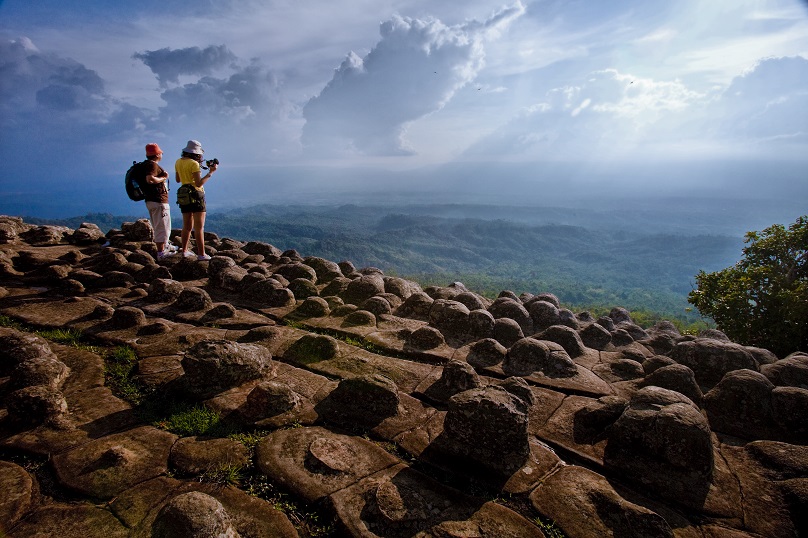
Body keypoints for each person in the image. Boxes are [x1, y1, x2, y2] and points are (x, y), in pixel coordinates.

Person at [175, 140, 218, 260]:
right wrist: (210, 173)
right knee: (199, 227)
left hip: (184, 196)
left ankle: (184, 250)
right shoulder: (194, 164)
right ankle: (201, 254)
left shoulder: (178, 162)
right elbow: (198, 183)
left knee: (187, 226)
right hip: (197, 195)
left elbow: (178, 180)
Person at [142, 143, 176, 260]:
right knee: (163, 226)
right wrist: (163, 178)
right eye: (160, 153)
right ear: (157, 154)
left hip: (150, 200)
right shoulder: (152, 166)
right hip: (158, 201)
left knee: (158, 225)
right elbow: (150, 179)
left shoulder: (145, 165)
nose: (162, 154)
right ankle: (161, 253)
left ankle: (164, 247)